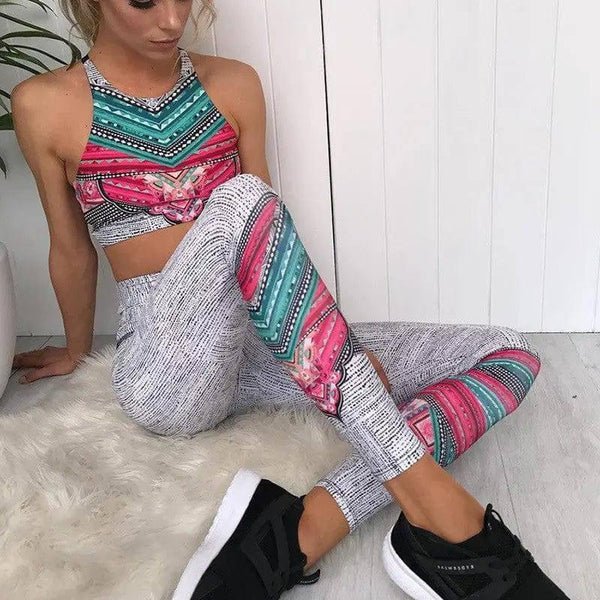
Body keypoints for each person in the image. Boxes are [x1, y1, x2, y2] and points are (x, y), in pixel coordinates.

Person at [9, 1, 570, 599]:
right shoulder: (45, 105)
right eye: (145, 0)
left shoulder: (235, 84)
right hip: (164, 369)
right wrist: (76, 351)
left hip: (253, 345)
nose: (173, 20)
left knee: (508, 353)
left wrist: (334, 357)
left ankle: (303, 530)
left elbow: (267, 244)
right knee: (244, 199)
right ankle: (439, 510)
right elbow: (71, 248)